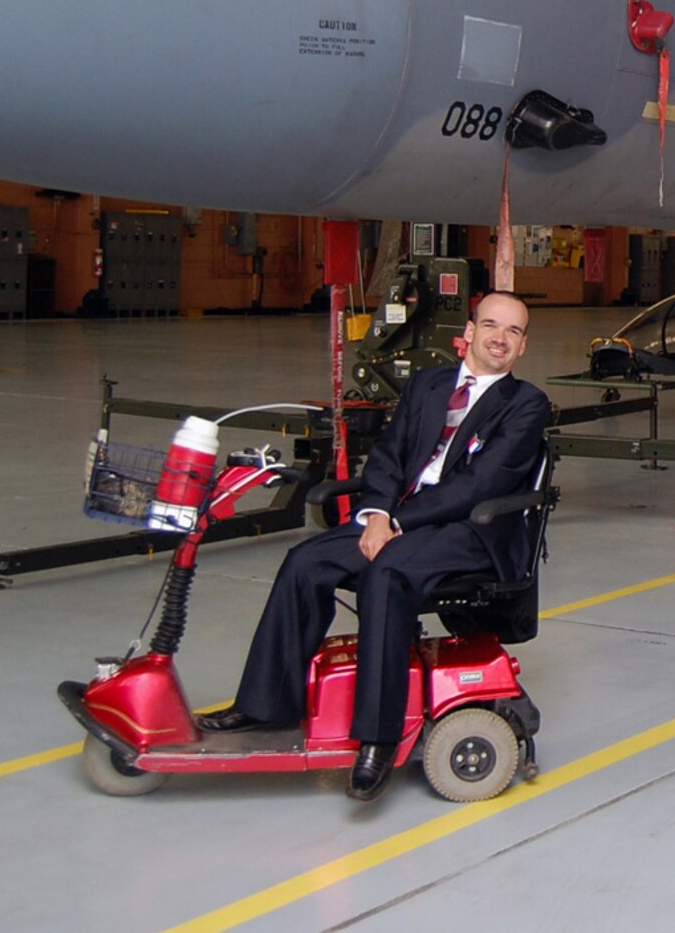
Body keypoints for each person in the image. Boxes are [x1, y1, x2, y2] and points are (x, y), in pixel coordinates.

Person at [199, 290, 551, 801]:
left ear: (521, 348)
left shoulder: (526, 405)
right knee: (305, 561)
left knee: (386, 574)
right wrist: (378, 513)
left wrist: (396, 523)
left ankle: (379, 739)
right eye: (491, 325)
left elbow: (479, 486)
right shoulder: (429, 386)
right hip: (398, 520)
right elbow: (388, 457)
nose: (500, 338)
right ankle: (264, 704)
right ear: (469, 332)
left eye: (513, 332)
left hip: (470, 531)